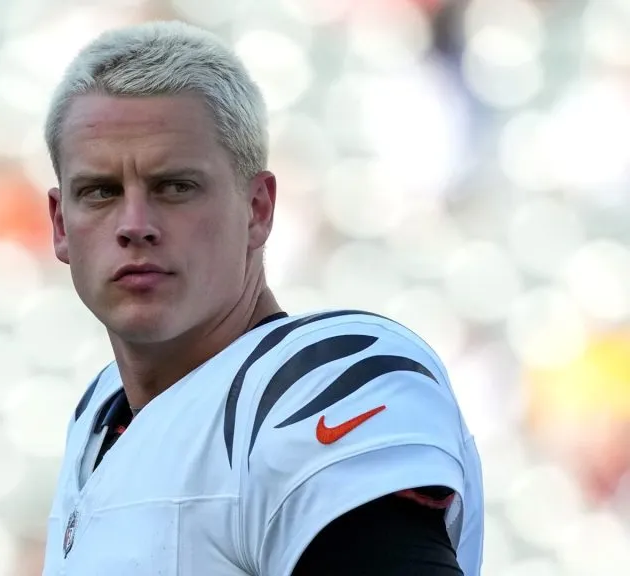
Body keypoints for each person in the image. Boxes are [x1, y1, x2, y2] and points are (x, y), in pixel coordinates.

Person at [39, 20, 484, 576]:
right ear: (60, 224)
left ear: (258, 209)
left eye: (175, 186)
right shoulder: (100, 412)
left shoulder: (318, 385)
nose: (135, 225)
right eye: (100, 192)